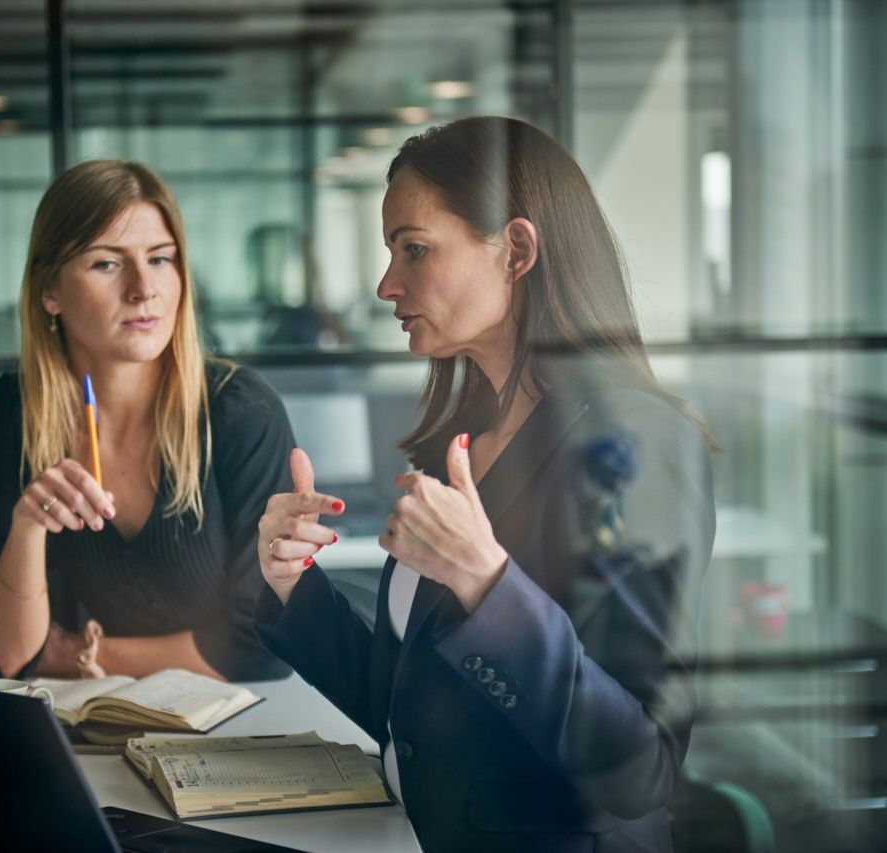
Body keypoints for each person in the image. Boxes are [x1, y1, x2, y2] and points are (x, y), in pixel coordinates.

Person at [254, 116, 715, 851]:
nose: (385, 284)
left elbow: (639, 766)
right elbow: (410, 711)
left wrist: (489, 585)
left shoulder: (635, 440)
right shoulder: (465, 441)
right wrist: (292, 583)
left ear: (518, 251)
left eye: (415, 249)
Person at [0, 160, 294, 683]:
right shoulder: (11, 414)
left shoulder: (242, 412)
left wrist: (81, 655)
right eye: (106, 264)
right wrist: (27, 528)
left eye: (161, 259)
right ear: (49, 290)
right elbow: (9, 654)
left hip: (241, 732)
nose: (144, 288)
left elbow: (266, 643)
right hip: (93, 736)